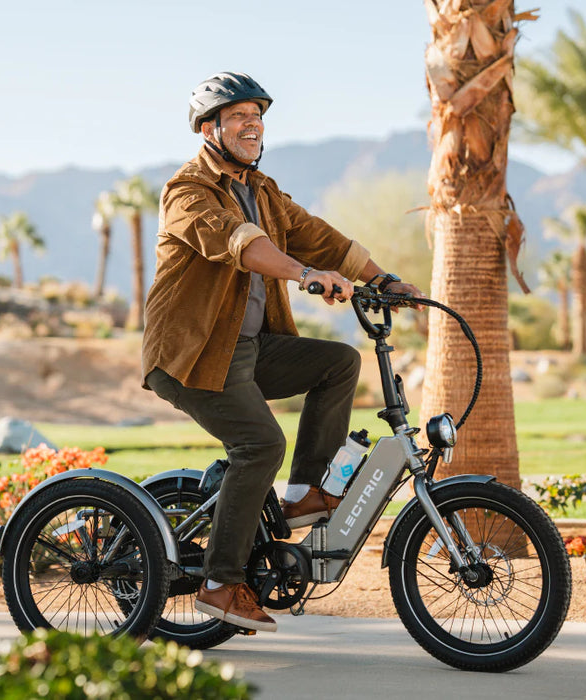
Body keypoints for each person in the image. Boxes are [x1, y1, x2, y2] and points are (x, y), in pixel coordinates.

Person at [142, 71, 424, 634]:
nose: (253, 125)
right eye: (238, 116)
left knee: (338, 362)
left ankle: (302, 494)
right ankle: (221, 582)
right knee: (260, 443)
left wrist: (384, 278)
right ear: (208, 127)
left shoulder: (263, 192)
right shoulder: (188, 192)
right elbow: (239, 243)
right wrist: (304, 275)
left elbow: (324, 240)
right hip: (194, 355)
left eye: (258, 116)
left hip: (247, 348)